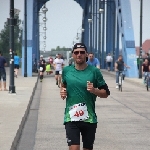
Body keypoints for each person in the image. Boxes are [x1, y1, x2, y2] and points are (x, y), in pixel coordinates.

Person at [60, 43, 110, 150]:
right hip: (71, 117)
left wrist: (94, 90)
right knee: (74, 147)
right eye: (76, 52)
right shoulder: (66, 71)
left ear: (86, 54)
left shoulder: (95, 72)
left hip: (89, 118)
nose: (79, 55)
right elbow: (63, 85)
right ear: (73, 55)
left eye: (82, 52)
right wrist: (63, 92)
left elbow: (106, 93)